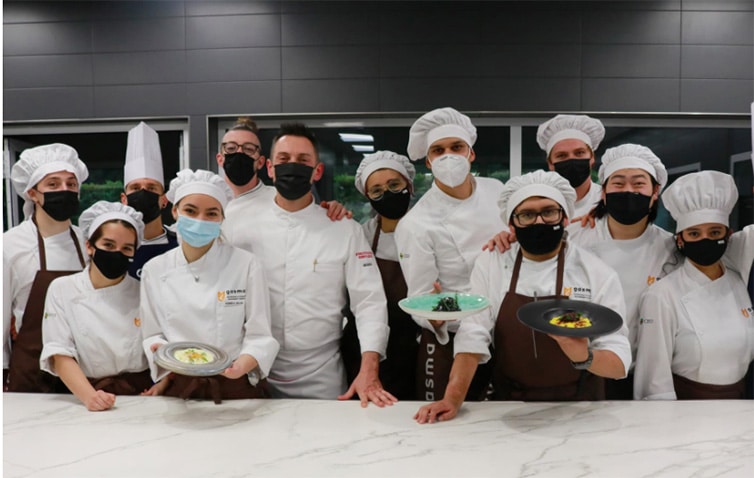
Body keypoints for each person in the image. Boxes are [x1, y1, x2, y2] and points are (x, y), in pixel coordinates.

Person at [415, 170, 631, 424]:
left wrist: (584, 356)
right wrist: (451, 398)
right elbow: (473, 333)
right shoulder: (492, 262)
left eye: (549, 211)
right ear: (511, 223)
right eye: (527, 215)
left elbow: (619, 363)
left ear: (564, 217)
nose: (539, 221)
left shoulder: (596, 272)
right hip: (509, 406)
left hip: (580, 408)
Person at [225, 122, 394, 406]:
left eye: (303, 160)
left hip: (322, 372)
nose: (293, 166)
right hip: (252, 368)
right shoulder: (238, 224)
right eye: (284, 159)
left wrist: (369, 369)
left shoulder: (343, 229)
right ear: (268, 167)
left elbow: (369, 302)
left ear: (317, 171)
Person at [140, 169, 279, 403]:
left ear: (222, 218)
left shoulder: (246, 264)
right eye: (190, 211)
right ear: (174, 211)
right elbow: (152, 332)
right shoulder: (155, 269)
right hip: (179, 386)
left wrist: (241, 366)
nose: (200, 220)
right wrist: (160, 351)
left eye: (211, 213)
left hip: (236, 386)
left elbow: (260, 334)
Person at [395, 106, 506, 401]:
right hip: (454, 341)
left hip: (507, 330)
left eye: (456, 147)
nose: (448, 155)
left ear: (471, 153)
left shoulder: (496, 190)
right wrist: (437, 314)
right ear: (428, 162)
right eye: (438, 150)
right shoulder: (415, 224)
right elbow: (421, 297)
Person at [567, 143, 679, 399]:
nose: (628, 190)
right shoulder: (574, 240)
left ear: (655, 193)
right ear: (603, 192)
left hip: (642, 375)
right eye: (618, 183)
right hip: (578, 371)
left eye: (639, 183)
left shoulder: (670, 249)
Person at [634, 171, 754, 400]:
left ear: (729, 235)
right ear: (680, 239)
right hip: (688, 406)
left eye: (715, 232)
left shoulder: (738, 281)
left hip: (739, 402)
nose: (705, 240)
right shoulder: (661, 295)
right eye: (694, 233)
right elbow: (653, 376)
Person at [40, 201, 152, 411]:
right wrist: (90, 397)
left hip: (142, 396)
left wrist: (161, 386)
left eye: (126, 248)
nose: (117, 253)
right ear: (89, 246)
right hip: (83, 393)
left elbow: (160, 344)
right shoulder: (63, 289)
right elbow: (60, 352)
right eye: (108, 245)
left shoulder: (144, 291)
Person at [4, 143, 89, 392]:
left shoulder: (88, 243)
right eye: (53, 184)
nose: (64, 190)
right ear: (32, 193)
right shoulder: (9, 245)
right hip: (31, 372)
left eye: (70, 184)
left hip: (86, 370)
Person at [341, 150, 421, 400]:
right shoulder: (361, 235)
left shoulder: (428, 233)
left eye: (394, 185)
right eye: (376, 190)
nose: (386, 193)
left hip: (414, 345)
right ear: (368, 197)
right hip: (363, 345)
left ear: (409, 186)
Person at [219, 116, 350, 232]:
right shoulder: (207, 195)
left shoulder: (279, 200)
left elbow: (309, 212)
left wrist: (333, 210)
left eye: (248, 149)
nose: (240, 154)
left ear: (262, 163)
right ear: (219, 158)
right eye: (231, 148)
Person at [120, 121, 177, 280]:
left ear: (164, 200)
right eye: (135, 188)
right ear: (124, 199)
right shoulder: (114, 247)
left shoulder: (180, 244)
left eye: (152, 188)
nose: (143, 193)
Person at [537, 114, 605, 217]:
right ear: (550, 163)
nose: (571, 159)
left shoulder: (606, 200)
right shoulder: (537, 201)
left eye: (579, 153)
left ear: (592, 158)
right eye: (561, 155)